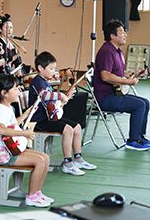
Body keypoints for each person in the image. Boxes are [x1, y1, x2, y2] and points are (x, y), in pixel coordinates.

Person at [28, 51, 97, 176]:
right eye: (51, 69)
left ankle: (78, 158)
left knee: (76, 127)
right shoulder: (37, 82)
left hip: (50, 117)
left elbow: (52, 103)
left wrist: (66, 97)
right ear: (40, 68)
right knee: (68, 130)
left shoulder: (45, 82)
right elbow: (44, 95)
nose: (54, 72)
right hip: (39, 121)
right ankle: (67, 163)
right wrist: (61, 95)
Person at [0, 74, 53, 207]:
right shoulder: (0, 110)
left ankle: (37, 192)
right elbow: (1, 129)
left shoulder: (7, 108)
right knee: (40, 161)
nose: (18, 91)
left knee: (45, 158)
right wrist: (25, 133)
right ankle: (31, 196)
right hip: (2, 154)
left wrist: (26, 114)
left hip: (10, 149)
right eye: (15, 89)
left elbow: (13, 124)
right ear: (4, 93)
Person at [93, 19, 150, 151]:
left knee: (145, 102)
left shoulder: (117, 51)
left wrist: (132, 74)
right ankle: (133, 141)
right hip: (105, 98)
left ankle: (140, 137)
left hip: (116, 93)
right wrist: (128, 81)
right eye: (122, 32)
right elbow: (105, 75)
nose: (125, 35)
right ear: (112, 35)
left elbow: (118, 72)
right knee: (140, 105)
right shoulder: (107, 51)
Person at [0, 13, 25, 78]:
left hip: (10, 77)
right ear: (0, 29)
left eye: (11, 28)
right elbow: (0, 62)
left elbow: (17, 62)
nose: (9, 30)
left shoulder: (12, 45)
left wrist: (19, 71)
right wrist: (16, 55)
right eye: (6, 27)